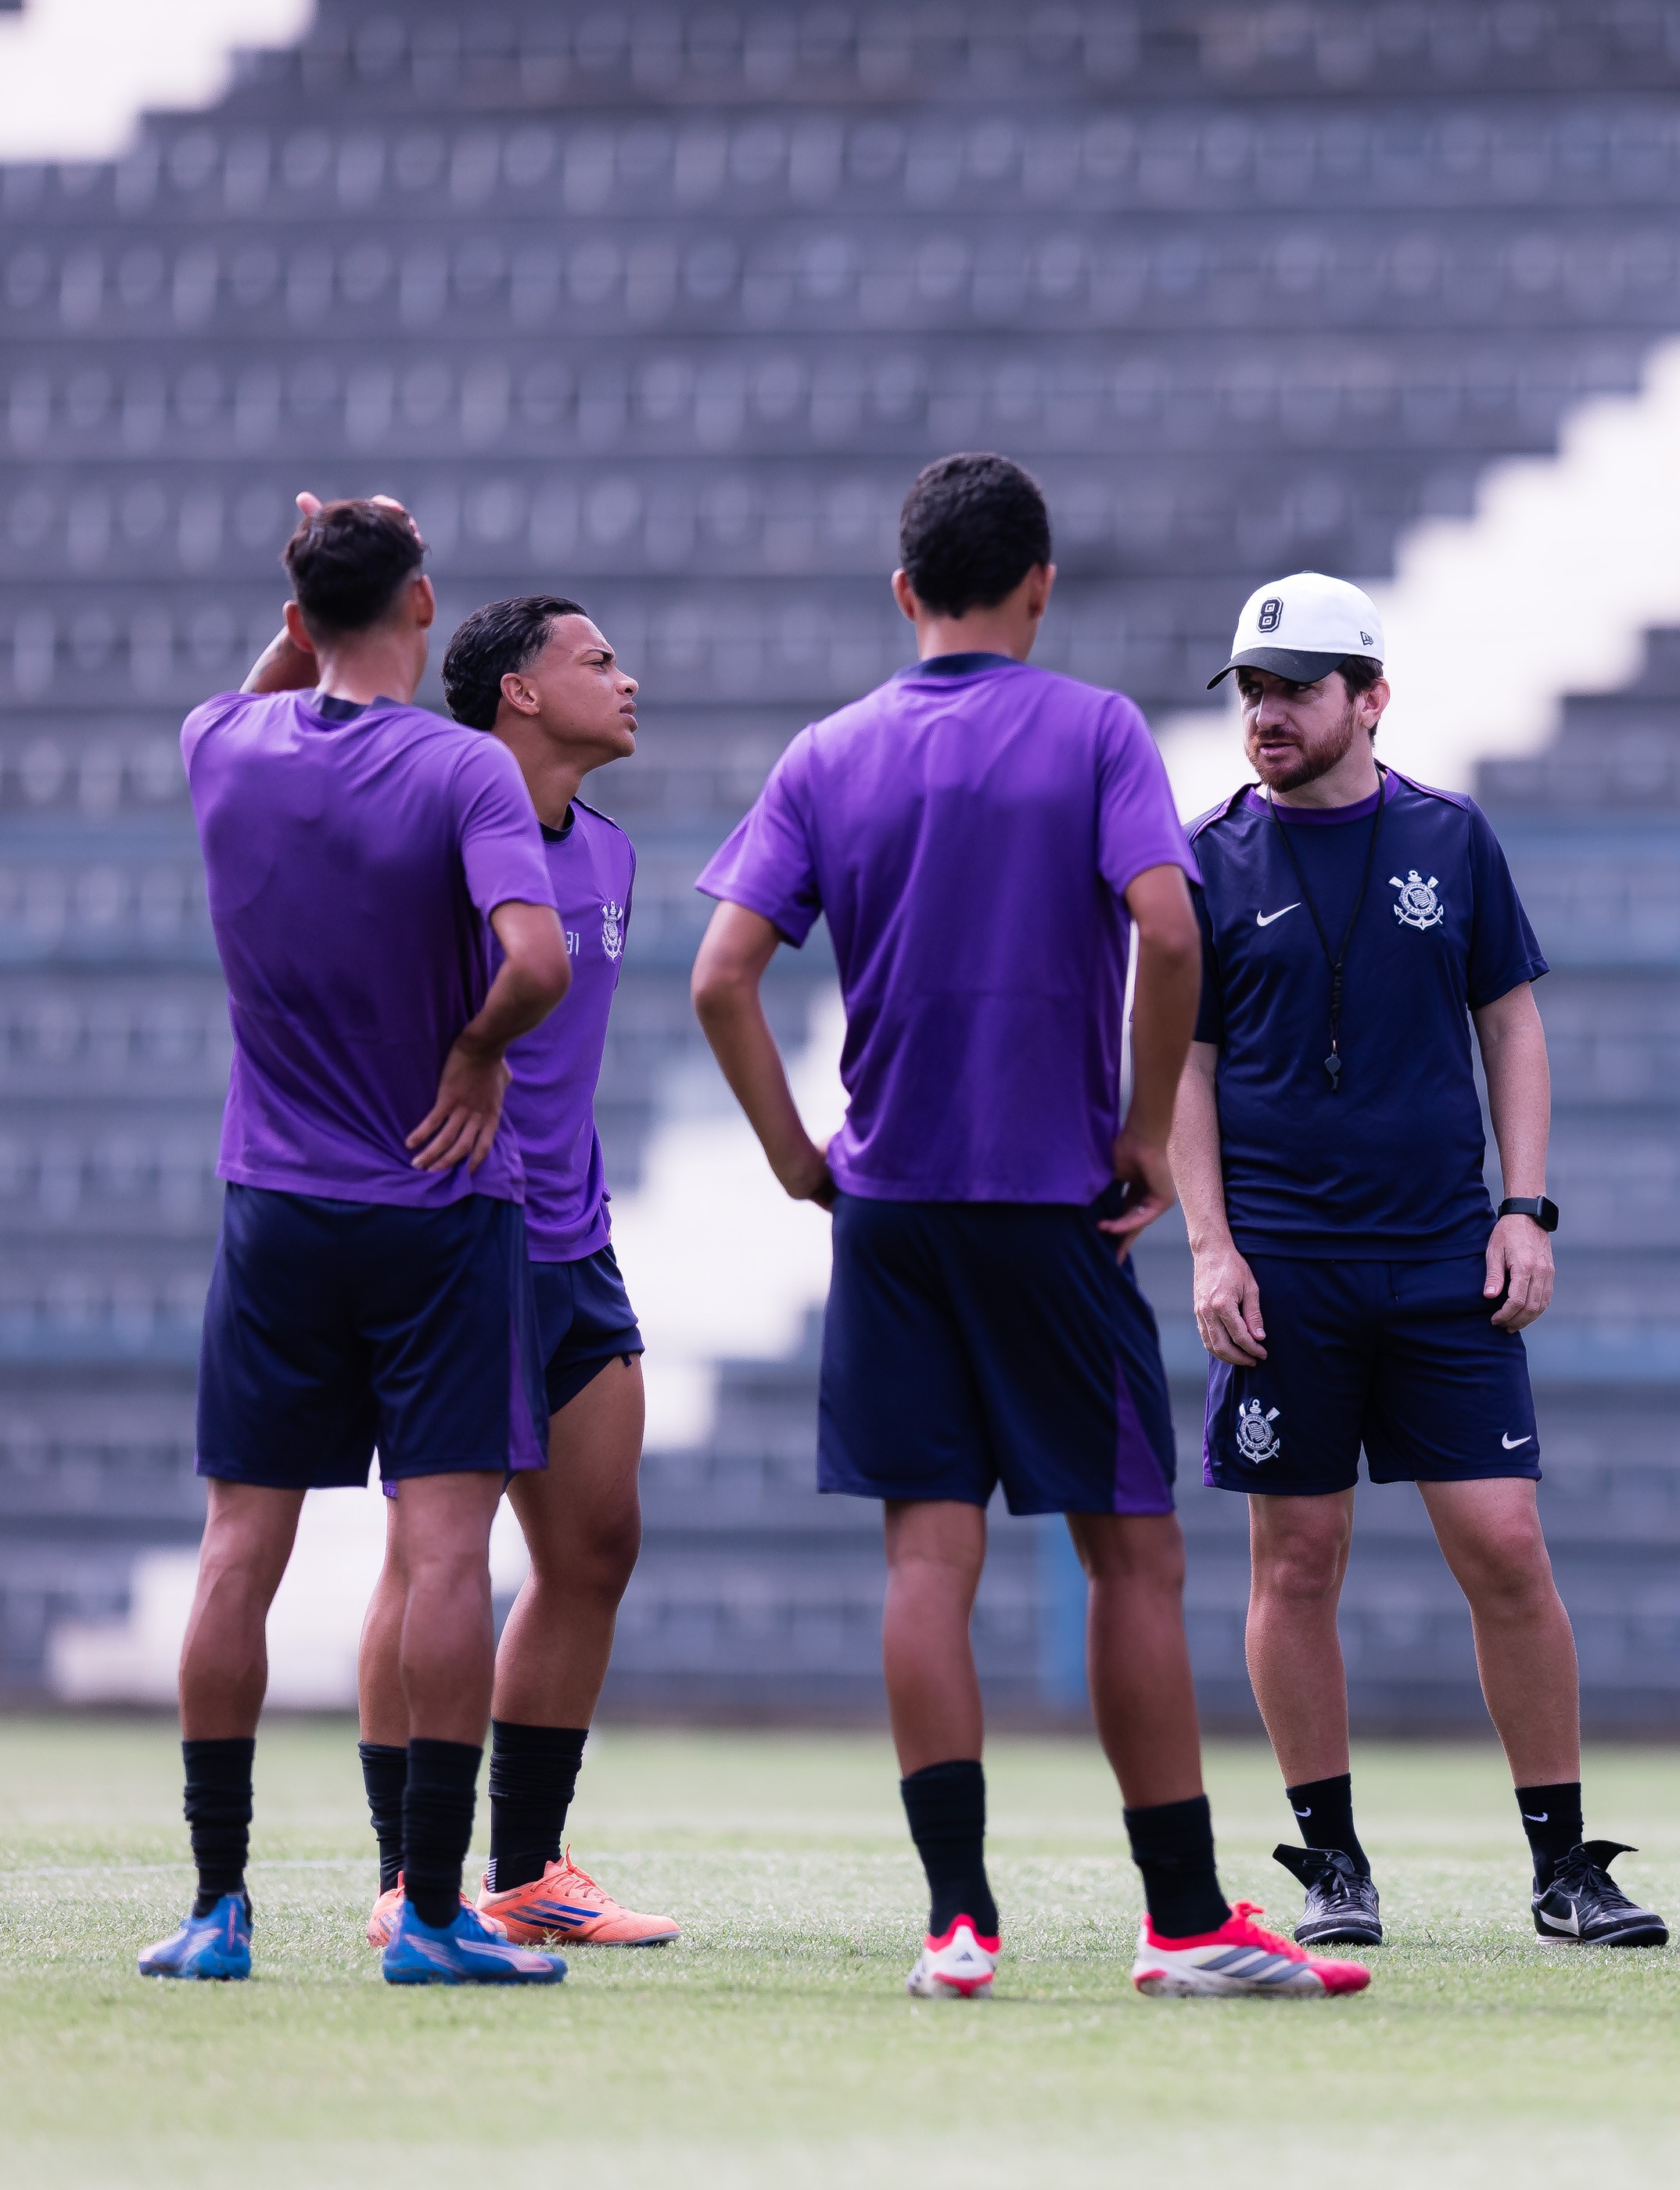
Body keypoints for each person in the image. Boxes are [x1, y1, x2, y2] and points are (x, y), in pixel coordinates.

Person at [690, 454, 1364, 2002]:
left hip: (894, 1206)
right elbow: (1173, 926)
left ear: (905, 588)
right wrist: (1142, 1135)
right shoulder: (1094, 730)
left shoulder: (831, 749)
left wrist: (802, 1154)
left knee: (927, 1559)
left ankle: (958, 1918)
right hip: (1051, 1204)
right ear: (1042, 585)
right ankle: (1187, 1916)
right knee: (1131, 1560)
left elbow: (723, 973)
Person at [1174, 570, 1663, 1951]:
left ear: (1370, 700)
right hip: (1284, 1270)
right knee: (1300, 1560)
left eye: (1296, 689)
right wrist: (1211, 1249)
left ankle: (1566, 1866)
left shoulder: (1453, 840)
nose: (1267, 713)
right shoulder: (1204, 856)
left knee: (1506, 1548)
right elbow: (1183, 1072)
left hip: (1445, 1257)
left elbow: (1511, 1027)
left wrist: (1527, 1210)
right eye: (1253, 690)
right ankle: (1332, 1865)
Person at [151, 494, 573, 1987]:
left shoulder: (222, 744)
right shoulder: (461, 767)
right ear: (422, 603)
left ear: (297, 616)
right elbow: (536, 961)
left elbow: (273, 680)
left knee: (237, 1553)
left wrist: (303, 613)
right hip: (437, 1203)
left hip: (275, 1203)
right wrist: (475, 1059)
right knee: (446, 1552)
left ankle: (215, 1908)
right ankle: (437, 1916)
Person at [350, 596, 674, 1951]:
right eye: (598, 659)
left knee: (597, 1544)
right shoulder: (427, 841)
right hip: (456, 1240)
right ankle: (404, 1873)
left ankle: (528, 1871)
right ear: (519, 695)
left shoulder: (610, 852)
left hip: (575, 1246)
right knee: (434, 1561)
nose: (628, 676)